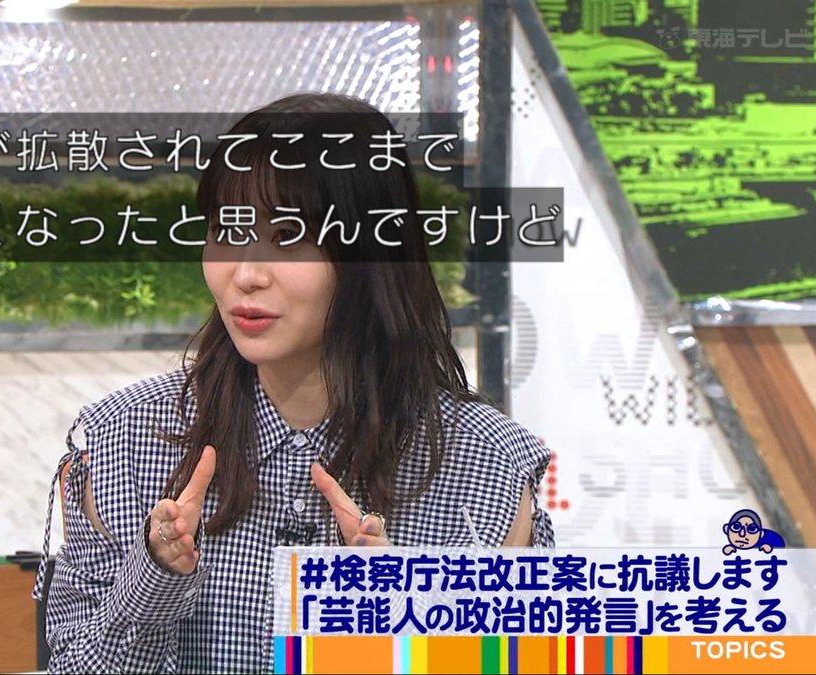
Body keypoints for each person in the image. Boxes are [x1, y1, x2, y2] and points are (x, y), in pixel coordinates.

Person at [32, 92, 554, 673]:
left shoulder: (485, 464)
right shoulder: (126, 439)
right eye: (227, 232)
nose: (246, 275)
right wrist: (152, 579)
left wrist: (395, 623)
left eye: (288, 237)